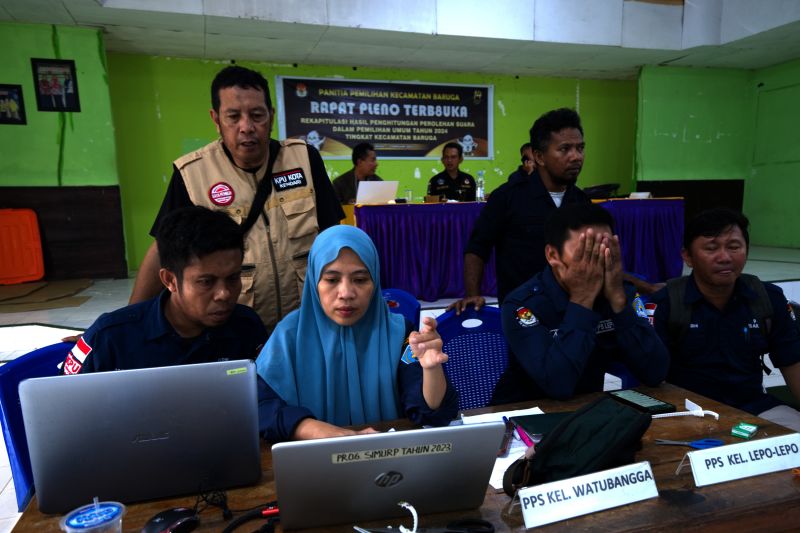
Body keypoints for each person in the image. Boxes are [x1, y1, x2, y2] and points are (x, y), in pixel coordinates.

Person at [60, 207, 311, 442]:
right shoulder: (110, 338)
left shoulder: (245, 327)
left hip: (220, 459)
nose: (224, 294)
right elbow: (64, 417)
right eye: (206, 282)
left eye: (233, 278)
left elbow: (264, 400)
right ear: (170, 279)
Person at [129, 65, 344, 331]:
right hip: (234, 325)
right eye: (233, 116)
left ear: (271, 117)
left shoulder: (303, 160)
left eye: (257, 115)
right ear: (216, 119)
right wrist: (129, 322)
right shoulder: (192, 174)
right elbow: (163, 248)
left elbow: (334, 235)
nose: (247, 127)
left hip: (306, 320)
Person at [256, 225, 459, 437]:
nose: (346, 293)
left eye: (360, 280)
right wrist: (313, 429)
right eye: (332, 280)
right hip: (312, 462)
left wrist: (431, 370)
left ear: (375, 281)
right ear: (314, 281)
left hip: (387, 459)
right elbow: (259, 407)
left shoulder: (401, 334)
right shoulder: (288, 336)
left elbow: (433, 416)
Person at [491, 203, 670, 403]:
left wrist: (619, 302)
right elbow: (558, 385)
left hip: (587, 411)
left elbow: (655, 372)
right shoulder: (522, 304)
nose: (597, 261)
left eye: (605, 249)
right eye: (585, 252)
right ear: (552, 255)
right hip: (524, 413)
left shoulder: (619, 293)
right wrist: (583, 299)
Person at [650, 208, 800, 431]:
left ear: (746, 251)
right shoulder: (667, 303)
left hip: (755, 408)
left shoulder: (768, 298)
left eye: (734, 247)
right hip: (688, 413)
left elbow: (792, 361)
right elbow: (650, 376)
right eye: (711, 248)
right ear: (687, 256)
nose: (725, 257)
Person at [451, 108, 590, 313]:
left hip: (573, 311)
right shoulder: (507, 197)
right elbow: (476, 249)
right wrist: (472, 294)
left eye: (580, 148)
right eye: (565, 149)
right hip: (521, 313)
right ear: (539, 156)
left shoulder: (582, 202)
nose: (576, 157)